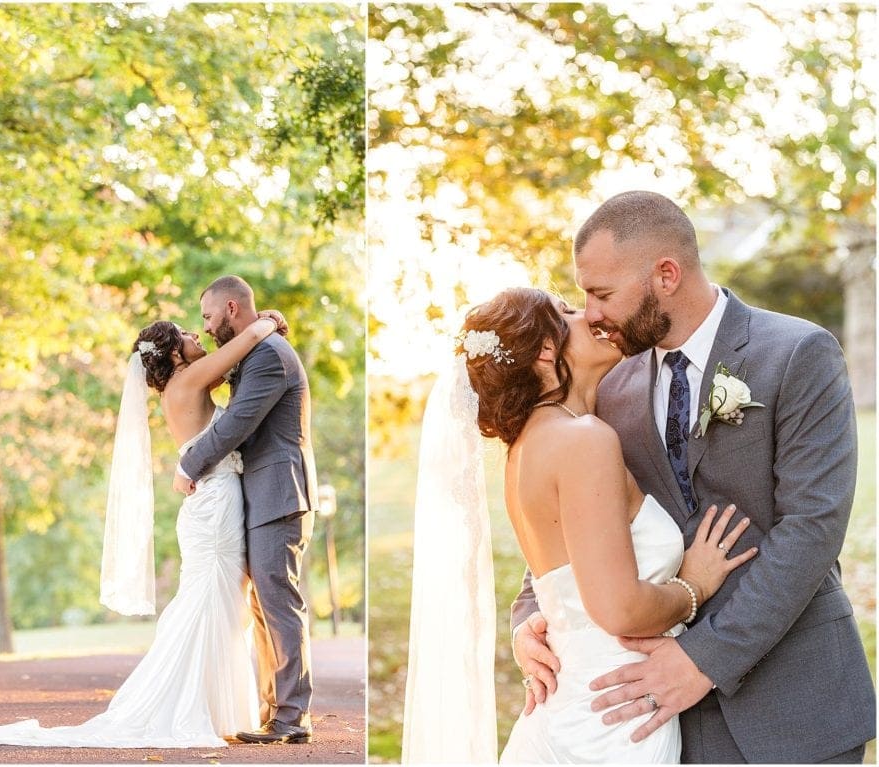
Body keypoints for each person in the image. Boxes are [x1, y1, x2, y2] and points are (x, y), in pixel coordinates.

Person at [512, 191, 875, 763]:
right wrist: (533, 612)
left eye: (602, 294)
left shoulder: (799, 354)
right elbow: (571, 512)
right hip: (658, 720)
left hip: (794, 703)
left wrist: (705, 657)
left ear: (665, 274)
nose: (593, 313)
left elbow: (814, 527)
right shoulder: (606, 386)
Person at [402, 287, 756, 763]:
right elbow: (622, 610)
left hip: (574, 705)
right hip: (612, 720)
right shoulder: (582, 440)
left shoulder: (528, 446)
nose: (588, 314)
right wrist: (692, 585)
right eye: (567, 312)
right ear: (547, 350)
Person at [0, 311, 286, 748]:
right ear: (172, 354)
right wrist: (269, 320)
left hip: (210, 504)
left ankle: (212, 707)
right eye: (184, 333)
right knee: (210, 600)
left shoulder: (185, 384)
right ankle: (189, 707)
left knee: (216, 600)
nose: (195, 333)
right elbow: (248, 339)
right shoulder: (191, 379)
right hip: (214, 505)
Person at [175, 275, 318, 745]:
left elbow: (237, 424)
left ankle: (291, 717)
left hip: (280, 492)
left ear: (231, 308)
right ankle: (275, 711)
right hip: (264, 493)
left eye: (209, 316)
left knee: (278, 604)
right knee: (264, 605)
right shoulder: (256, 350)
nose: (208, 326)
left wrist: (189, 462)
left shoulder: (269, 357)